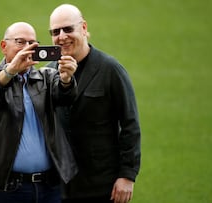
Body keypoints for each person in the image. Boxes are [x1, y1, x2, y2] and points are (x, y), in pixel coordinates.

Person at [0, 22, 78, 203]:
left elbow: (66, 97)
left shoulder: (46, 77)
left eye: (32, 43)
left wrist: (66, 80)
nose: (27, 48)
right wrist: (10, 71)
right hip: (6, 190)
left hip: (49, 189)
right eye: (20, 42)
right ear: (4, 46)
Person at [47, 4, 141, 203]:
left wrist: (127, 176)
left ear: (83, 28)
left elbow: (130, 124)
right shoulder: (48, 72)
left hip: (101, 186)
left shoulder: (110, 70)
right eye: (55, 32)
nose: (62, 36)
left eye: (68, 29)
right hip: (58, 187)